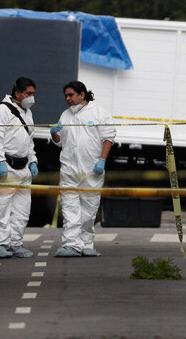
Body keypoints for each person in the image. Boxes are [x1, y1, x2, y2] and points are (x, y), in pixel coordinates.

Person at [50, 81, 116, 257]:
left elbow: (108, 138)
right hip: (69, 168)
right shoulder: (65, 115)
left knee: (89, 207)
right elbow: (60, 142)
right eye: (66, 95)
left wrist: (101, 160)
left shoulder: (98, 113)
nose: (68, 99)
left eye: (71, 95)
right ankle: (71, 244)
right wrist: (54, 133)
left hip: (91, 168)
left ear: (82, 95)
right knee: (70, 207)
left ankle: (86, 243)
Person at [0, 77, 39, 259]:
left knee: (22, 210)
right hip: (5, 165)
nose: (32, 97)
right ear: (18, 93)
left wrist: (33, 161)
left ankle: (15, 243)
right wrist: (0, 161)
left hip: (23, 167)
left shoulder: (27, 113)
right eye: (29, 93)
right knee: (0, 207)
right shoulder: (1, 111)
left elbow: (28, 140)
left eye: (33, 94)